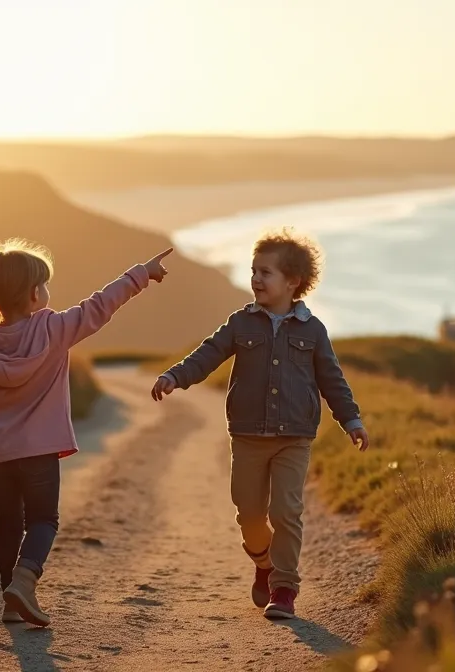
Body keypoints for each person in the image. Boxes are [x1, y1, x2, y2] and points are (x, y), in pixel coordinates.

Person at [0, 238, 172, 626]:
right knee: (43, 521)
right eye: (45, 286)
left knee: (8, 522)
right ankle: (24, 580)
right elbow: (101, 305)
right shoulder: (55, 328)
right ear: (34, 294)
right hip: (38, 450)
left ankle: (10, 600)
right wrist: (142, 274)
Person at [149, 228, 370, 620]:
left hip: (294, 437)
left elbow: (331, 379)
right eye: (253, 270)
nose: (255, 279)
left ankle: (284, 587)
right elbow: (208, 353)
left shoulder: (313, 331)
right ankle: (264, 562)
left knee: (286, 511)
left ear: (293, 282)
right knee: (248, 513)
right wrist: (175, 376)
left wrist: (350, 419)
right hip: (248, 434)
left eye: (265, 272)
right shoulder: (240, 323)